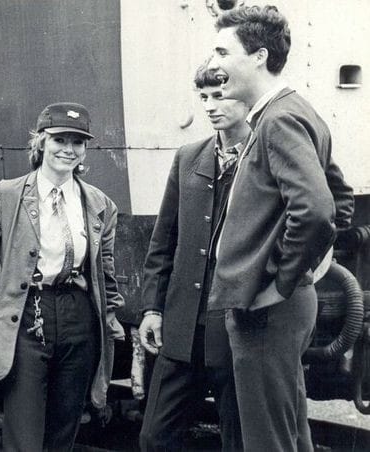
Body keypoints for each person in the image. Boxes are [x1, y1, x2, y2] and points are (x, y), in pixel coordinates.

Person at [207, 5, 354, 451]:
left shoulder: (277, 120)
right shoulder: (291, 111)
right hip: (278, 308)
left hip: (266, 308)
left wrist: (282, 281)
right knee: (289, 434)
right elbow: (340, 201)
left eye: (222, 51)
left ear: (258, 56)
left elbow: (316, 211)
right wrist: (306, 267)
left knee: (266, 439)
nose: (214, 65)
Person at [0, 102, 125, 451]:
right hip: (27, 315)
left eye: (78, 142)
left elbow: (105, 270)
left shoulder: (100, 204)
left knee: (65, 428)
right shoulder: (9, 195)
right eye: (60, 139)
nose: (68, 150)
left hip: (78, 314)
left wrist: (111, 311)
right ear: (41, 141)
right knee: (24, 433)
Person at [138, 63, 246, 451]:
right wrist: (152, 309)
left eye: (220, 95)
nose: (211, 106)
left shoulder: (262, 159)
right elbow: (163, 242)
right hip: (181, 331)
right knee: (154, 439)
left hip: (236, 333)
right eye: (204, 97)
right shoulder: (188, 157)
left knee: (240, 440)